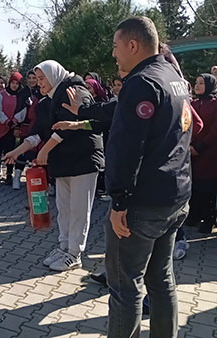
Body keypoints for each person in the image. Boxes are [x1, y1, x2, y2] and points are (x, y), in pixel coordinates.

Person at [104, 16, 192, 338]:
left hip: (143, 204)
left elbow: (126, 148)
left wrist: (119, 201)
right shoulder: (173, 75)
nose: (114, 54)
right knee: (161, 278)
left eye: (116, 46)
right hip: (175, 196)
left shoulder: (142, 83)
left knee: (126, 288)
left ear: (132, 45)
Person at [4, 60, 103, 271]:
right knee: (64, 207)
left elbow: (68, 127)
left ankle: (75, 253)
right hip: (64, 162)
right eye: (37, 79)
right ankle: (64, 246)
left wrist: (45, 150)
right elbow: (38, 132)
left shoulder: (74, 91)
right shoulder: (47, 101)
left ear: (54, 75)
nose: (39, 83)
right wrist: (16, 152)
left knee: (79, 209)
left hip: (84, 160)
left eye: (42, 79)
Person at [189, 73, 217, 234]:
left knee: (207, 188)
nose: (197, 85)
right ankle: (194, 216)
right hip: (192, 152)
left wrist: (199, 147)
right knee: (194, 186)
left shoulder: (215, 104)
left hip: (209, 153)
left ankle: (208, 219)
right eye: (196, 82)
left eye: (201, 83)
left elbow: (214, 131)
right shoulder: (193, 103)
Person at [0, 72, 22, 187]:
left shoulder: (19, 96)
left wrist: (14, 121)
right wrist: (6, 121)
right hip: (0, 126)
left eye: (17, 83)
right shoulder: (0, 95)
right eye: (13, 83)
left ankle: (9, 174)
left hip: (12, 128)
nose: (14, 86)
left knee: (10, 151)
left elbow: (22, 111)